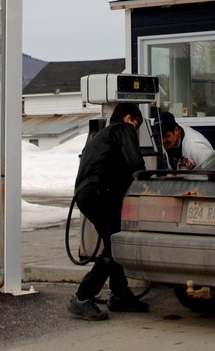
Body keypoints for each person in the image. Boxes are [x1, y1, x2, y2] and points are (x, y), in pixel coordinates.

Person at [68, 101, 150, 321]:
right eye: (137, 125)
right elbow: (135, 163)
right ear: (129, 118)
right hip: (99, 193)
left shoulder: (101, 136)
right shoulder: (123, 129)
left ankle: (120, 294)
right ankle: (82, 297)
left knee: (113, 242)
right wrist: (150, 182)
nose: (135, 130)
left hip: (89, 193)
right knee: (114, 246)